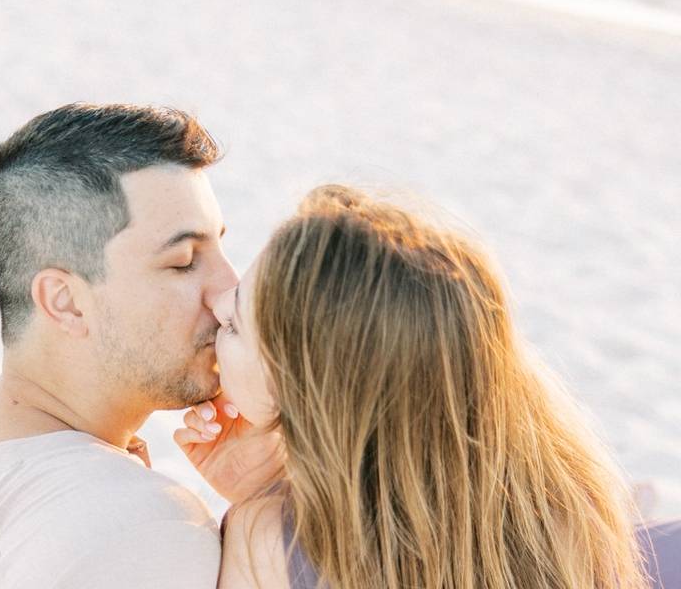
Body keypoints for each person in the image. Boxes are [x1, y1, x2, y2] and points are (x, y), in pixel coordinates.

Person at [177, 184, 651, 589]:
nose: (217, 306)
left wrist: (260, 502)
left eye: (236, 323)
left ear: (303, 389)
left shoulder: (267, 544)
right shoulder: (566, 502)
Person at [0, 103, 239, 588]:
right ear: (65, 302)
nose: (230, 290)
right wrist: (268, 503)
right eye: (183, 261)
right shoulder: (144, 527)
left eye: (219, 245)